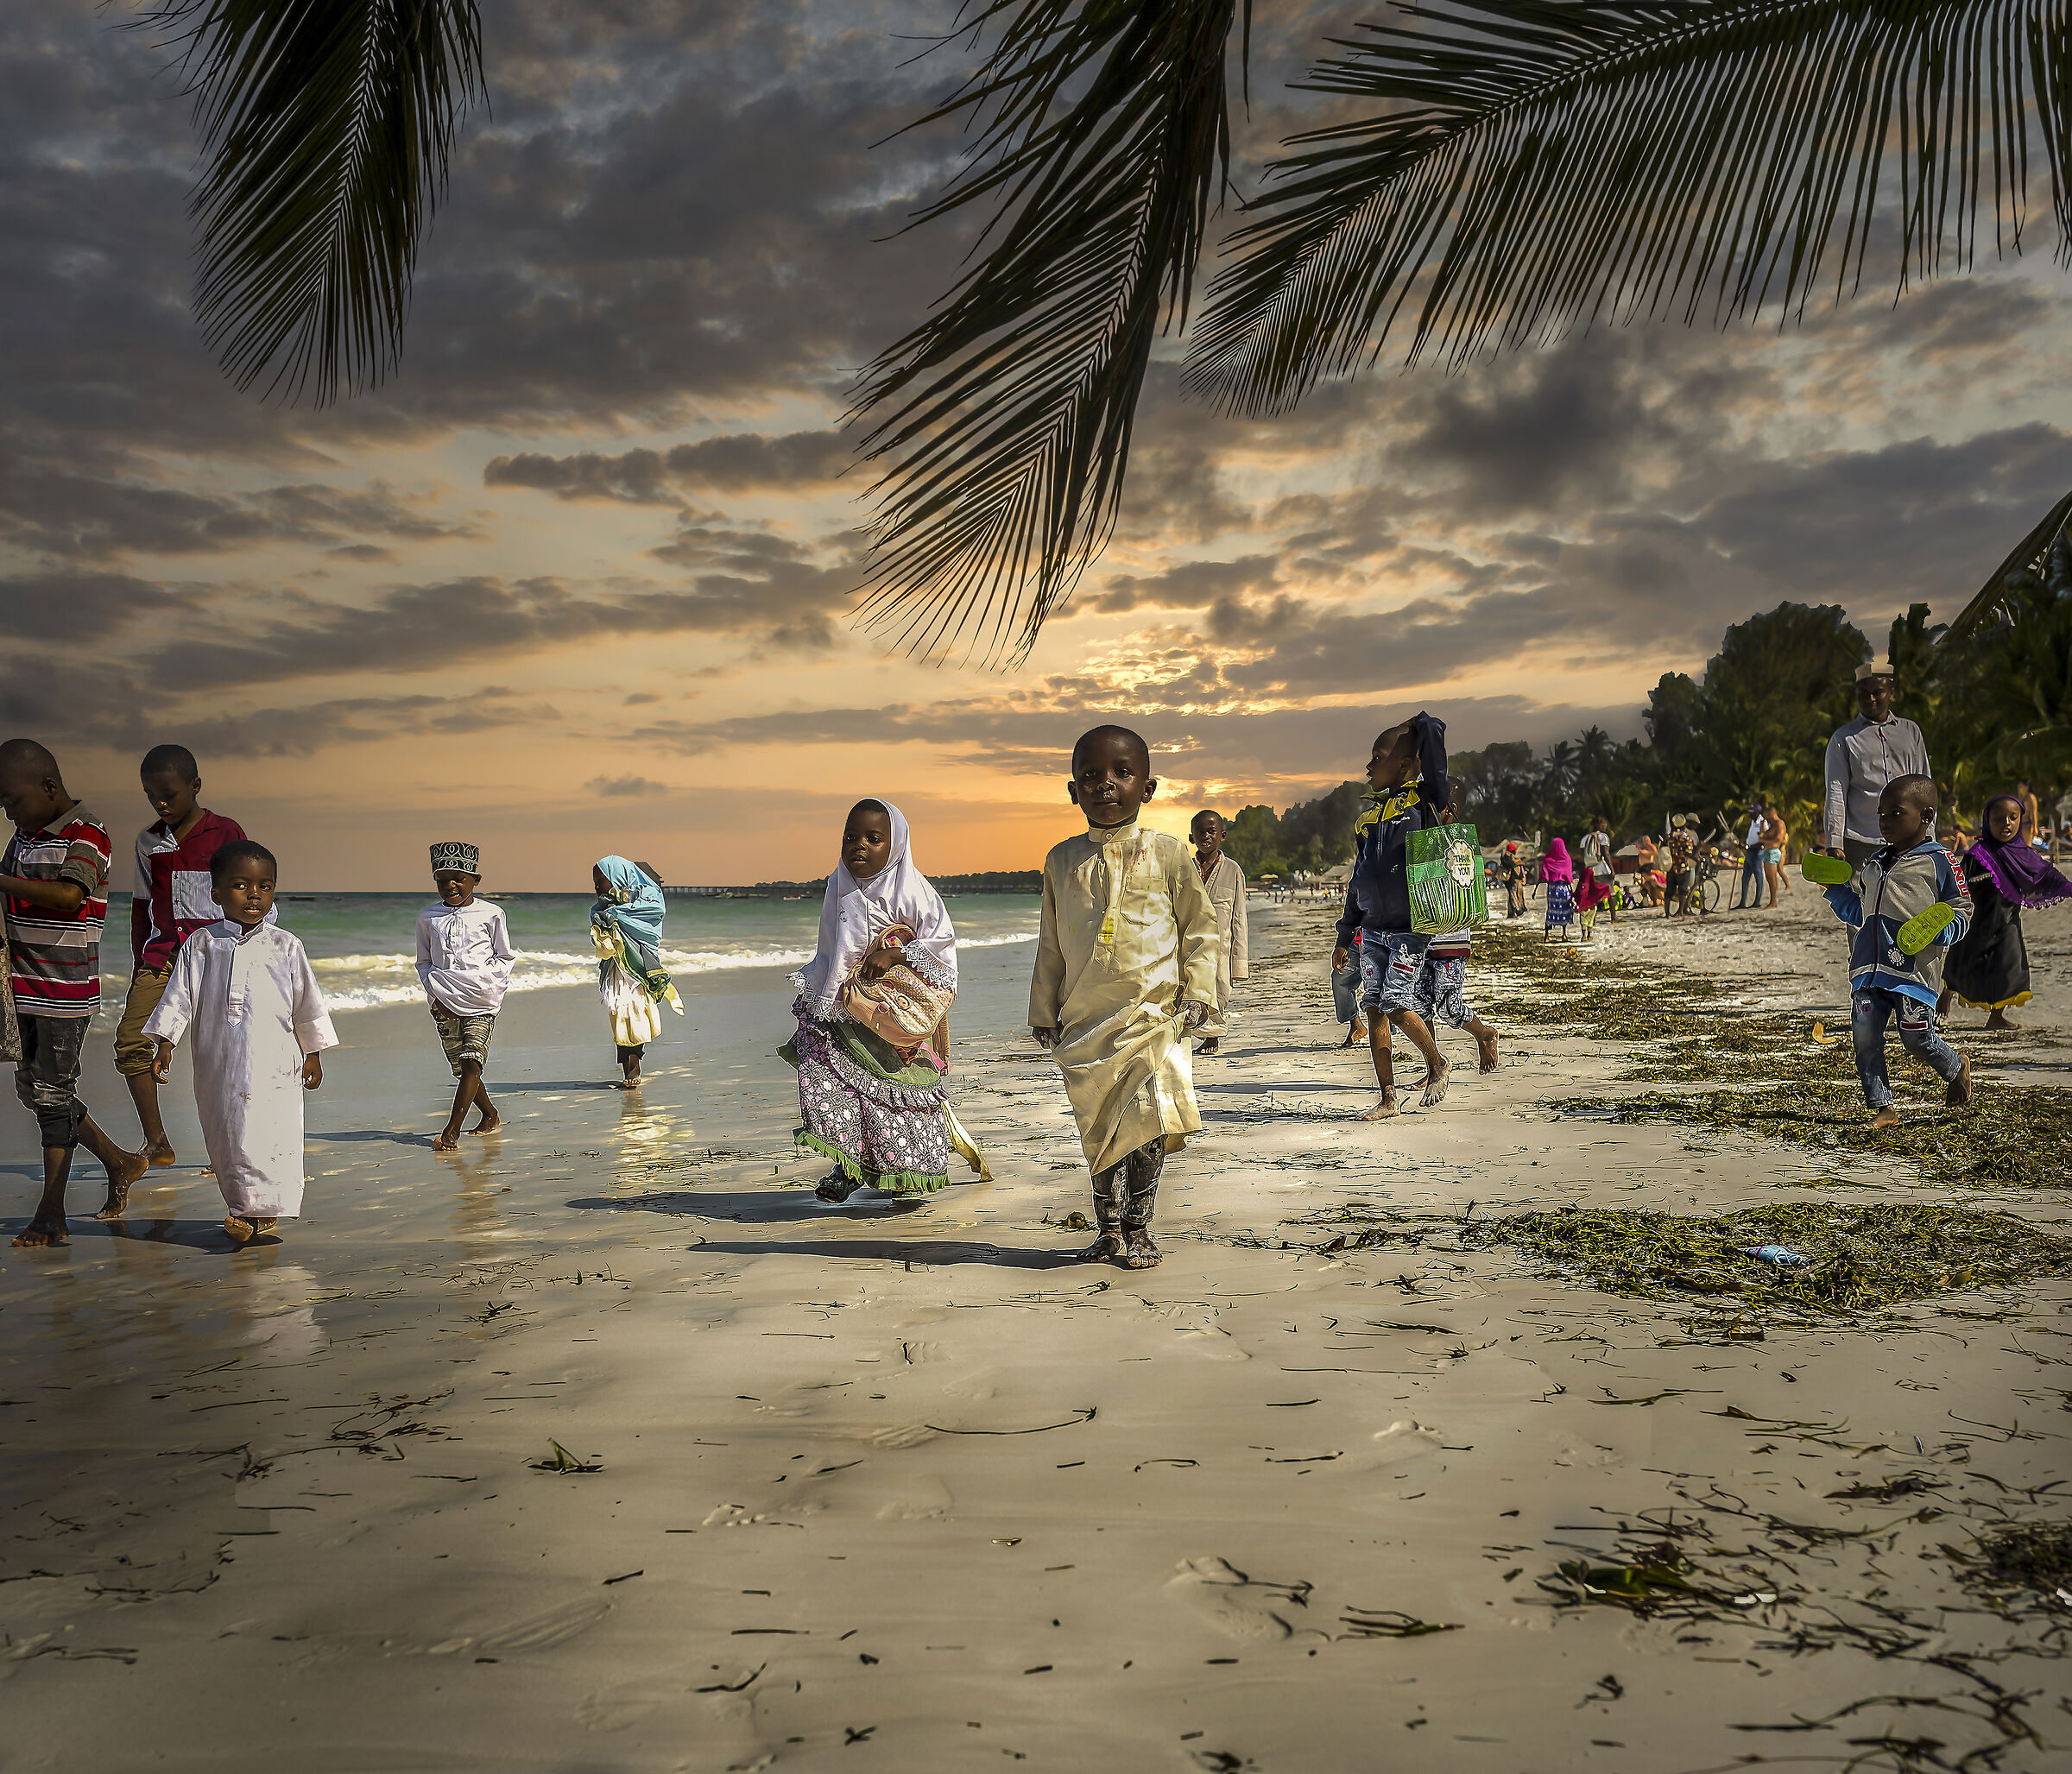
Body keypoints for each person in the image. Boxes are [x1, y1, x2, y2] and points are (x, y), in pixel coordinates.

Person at [1031, 726, 1218, 1269]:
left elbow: (1201, 929)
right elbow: (1050, 942)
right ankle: (1107, 1225)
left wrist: (1201, 992)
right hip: (1086, 1019)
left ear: (1148, 787)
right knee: (1100, 1122)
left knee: (1149, 1116)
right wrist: (1044, 1009)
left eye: (1121, 773)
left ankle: (1141, 1225)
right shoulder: (1060, 860)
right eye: (1090, 776)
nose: (1105, 785)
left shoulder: (1167, 854)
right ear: (1072, 791)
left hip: (1154, 1013)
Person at [786, 798, 984, 1203]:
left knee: (897, 1093)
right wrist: (820, 996)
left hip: (894, 1014)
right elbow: (830, 947)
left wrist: (896, 954)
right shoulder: (837, 884)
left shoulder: (915, 891)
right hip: (842, 1007)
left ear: (895, 846)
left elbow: (942, 946)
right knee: (835, 1085)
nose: (858, 845)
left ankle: (905, 1175)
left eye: (873, 838)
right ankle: (847, 1166)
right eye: (850, 836)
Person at [142, 841, 338, 1243]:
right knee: (227, 1130)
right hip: (218, 1058)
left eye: (264, 886)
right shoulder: (202, 943)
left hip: (276, 1059)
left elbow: (307, 1003)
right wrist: (165, 1042)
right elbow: (180, 995)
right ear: (216, 893)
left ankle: (258, 1211)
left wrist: (312, 1052)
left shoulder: (286, 945)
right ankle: (242, 1206)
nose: (254, 894)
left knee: (270, 1129)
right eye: (241, 885)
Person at [0, 739, 148, 1247]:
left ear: (48, 787)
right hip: (21, 988)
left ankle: (51, 1214)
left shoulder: (89, 833)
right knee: (38, 1093)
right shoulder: (22, 837)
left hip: (64, 991)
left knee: (52, 1096)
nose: (9, 812)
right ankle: (120, 1161)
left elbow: (69, 896)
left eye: (14, 801)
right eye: (2, 805)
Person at [118, 743, 258, 1167]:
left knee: (231, 1052)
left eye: (170, 795)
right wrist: (139, 964)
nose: (161, 804)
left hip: (218, 956)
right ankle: (157, 1141)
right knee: (131, 1044)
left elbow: (248, 895)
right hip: (161, 958)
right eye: (151, 796)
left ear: (195, 787)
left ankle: (235, 1144)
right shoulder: (148, 841)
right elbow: (141, 904)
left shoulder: (226, 833)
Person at [1822, 775, 1972, 1128]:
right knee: (1865, 1036)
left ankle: (1956, 1066)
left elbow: (1962, 907)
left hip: (1913, 972)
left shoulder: (1941, 861)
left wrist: (1944, 930)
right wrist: (1836, 891)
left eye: (1895, 813)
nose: (1885, 821)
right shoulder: (1875, 863)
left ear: (1926, 815)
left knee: (1916, 1038)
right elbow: (1863, 912)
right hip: (1868, 969)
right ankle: (1883, 1108)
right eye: (1881, 814)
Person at [1330, 712, 1454, 1118]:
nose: (1368, 766)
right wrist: (1344, 935)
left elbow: (1434, 750)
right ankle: (1388, 1097)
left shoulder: (1424, 803)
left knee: (1396, 1004)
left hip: (1408, 928)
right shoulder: (1367, 820)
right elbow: (1358, 880)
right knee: (1374, 1010)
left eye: (1377, 757)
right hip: (1372, 930)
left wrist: (1421, 723)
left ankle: (1436, 1062)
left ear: (1403, 765)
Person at [1940, 792, 2072, 1030]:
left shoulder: (2024, 855)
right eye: (1999, 818)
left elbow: (2047, 875)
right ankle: (1946, 994)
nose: (2007, 823)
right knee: (1962, 961)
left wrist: (2068, 888)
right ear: (1987, 821)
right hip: (1976, 922)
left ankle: (1996, 1016)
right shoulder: (1977, 854)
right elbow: (1958, 884)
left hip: (2007, 922)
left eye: (2013, 818)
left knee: (2010, 965)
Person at [416, 842, 514, 1151]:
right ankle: (490, 1114)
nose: (450, 885)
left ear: (475, 879)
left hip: (482, 1001)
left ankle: (451, 1131)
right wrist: (436, 996)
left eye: (458, 878)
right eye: (442, 880)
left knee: (473, 1061)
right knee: (462, 1068)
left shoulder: (492, 912)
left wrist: (489, 986)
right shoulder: (427, 917)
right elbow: (423, 962)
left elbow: (505, 957)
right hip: (443, 1003)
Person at [1823, 660, 1931, 867]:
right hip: (1861, 842)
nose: (1869, 698)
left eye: (1877, 692)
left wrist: (1928, 832)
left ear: (1891, 693)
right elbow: (1835, 791)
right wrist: (1835, 841)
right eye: (1862, 693)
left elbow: (1924, 785)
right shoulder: (1843, 738)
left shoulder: (1911, 732)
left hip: (1908, 840)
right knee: (1861, 898)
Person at [591, 856, 680, 1086]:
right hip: (615, 969)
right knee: (619, 1015)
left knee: (633, 1014)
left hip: (637, 967)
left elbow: (650, 920)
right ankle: (628, 1069)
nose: (597, 887)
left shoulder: (646, 900)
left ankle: (634, 1066)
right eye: (594, 882)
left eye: (600, 881)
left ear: (617, 878)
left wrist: (617, 916)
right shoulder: (601, 908)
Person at [1190, 810, 1248, 1056]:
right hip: (1189, 944)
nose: (1206, 836)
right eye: (1200, 832)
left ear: (1222, 836)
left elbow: (1239, 919)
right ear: (1191, 837)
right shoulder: (1184, 867)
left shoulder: (1233, 871)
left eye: (1211, 831)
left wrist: (1240, 964)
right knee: (1189, 990)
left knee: (1219, 990)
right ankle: (1189, 1035)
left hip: (1221, 948)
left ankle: (1212, 1037)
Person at [1578, 815, 1618, 923]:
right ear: (1598, 825)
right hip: (1602, 869)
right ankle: (1613, 918)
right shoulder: (1603, 837)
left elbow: (1581, 857)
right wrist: (1612, 870)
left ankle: (1593, 920)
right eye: (1603, 823)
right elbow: (1606, 853)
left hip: (1590, 870)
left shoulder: (1584, 838)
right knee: (1611, 893)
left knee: (1592, 896)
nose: (1605, 826)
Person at [1331, 931, 1367, 1047]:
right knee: (1340, 979)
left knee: (1378, 986)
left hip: (1384, 937)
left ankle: (1384, 1035)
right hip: (1357, 938)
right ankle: (1356, 1025)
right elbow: (1351, 915)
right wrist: (1341, 944)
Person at [1539, 836, 1578, 940]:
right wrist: (1572, 888)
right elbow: (1569, 876)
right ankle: (1564, 934)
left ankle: (1547, 936)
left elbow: (1544, 875)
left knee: (1551, 910)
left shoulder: (1547, 860)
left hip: (1552, 889)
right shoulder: (1567, 859)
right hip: (1564, 889)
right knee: (1564, 910)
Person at [1735, 799, 1767, 909]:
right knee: (1745, 877)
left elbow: (1763, 841)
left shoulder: (1763, 822)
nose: (1750, 814)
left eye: (1752, 812)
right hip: (1749, 852)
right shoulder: (1753, 822)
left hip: (1757, 852)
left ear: (1758, 812)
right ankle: (1743, 902)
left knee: (1758, 876)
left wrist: (1748, 846)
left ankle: (1757, 901)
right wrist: (1744, 845)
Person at [1664, 818, 1696, 916]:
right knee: (1683, 891)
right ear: (1684, 825)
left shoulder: (1669, 837)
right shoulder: (1686, 837)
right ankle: (1681, 912)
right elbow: (1689, 852)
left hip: (1671, 867)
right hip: (1682, 867)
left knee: (1669, 890)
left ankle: (1667, 913)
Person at [1760, 801, 1788, 906]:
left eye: (1766, 815)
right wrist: (1762, 826)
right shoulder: (1772, 825)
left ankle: (1773, 902)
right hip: (1768, 851)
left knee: (1771, 877)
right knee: (1769, 877)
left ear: (1771, 813)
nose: (1765, 818)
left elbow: (1777, 840)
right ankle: (1773, 901)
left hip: (1773, 851)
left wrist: (1762, 841)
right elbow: (1766, 835)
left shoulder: (1779, 824)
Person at [1498, 842, 1526, 917]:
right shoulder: (1508, 857)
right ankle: (1517, 910)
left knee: (1514, 895)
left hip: (1514, 879)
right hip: (1512, 879)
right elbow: (1510, 864)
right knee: (1513, 895)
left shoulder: (1511, 857)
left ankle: (1512, 913)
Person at [2014, 778, 2042, 848]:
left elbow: (2033, 813)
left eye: (2021, 786)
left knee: (2027, 846)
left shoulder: (2030, 797)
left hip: (2027, 825)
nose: (2019, 788)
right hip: (2022, 825)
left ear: (2027, 786)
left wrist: (2035, 827)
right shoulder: (2024, 797)